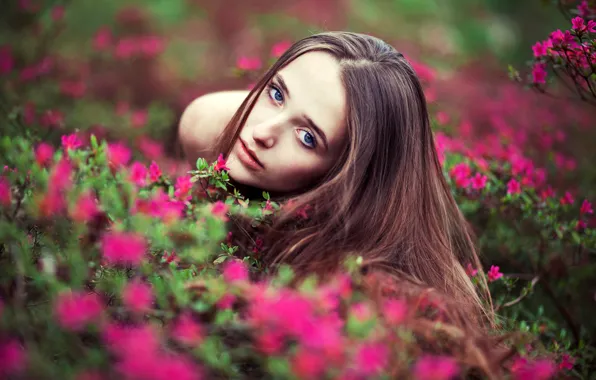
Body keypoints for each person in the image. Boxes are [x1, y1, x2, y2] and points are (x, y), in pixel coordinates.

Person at [178, 31, 493, 329]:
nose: (261, 133)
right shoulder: (227, 132)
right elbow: (202, 116)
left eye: (307, 137)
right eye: (276, 93)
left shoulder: (359, 288)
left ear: (349, 175)